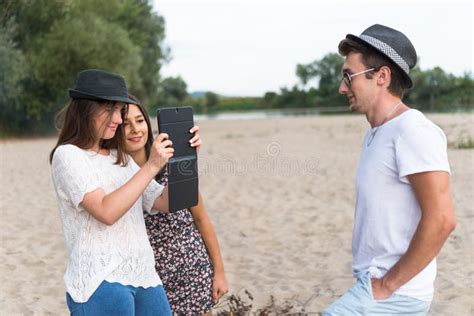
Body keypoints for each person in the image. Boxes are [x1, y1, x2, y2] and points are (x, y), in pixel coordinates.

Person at [323, 24, 456, 315]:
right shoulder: (376, 133)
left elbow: (442, 219)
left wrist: (386, 285)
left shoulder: (413, 130)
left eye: (349, 76)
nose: (342, 87)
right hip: (373, 287)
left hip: (396, 293)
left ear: (382, 76)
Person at [50, 69, 174, 315]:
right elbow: (106, 211)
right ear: (85, 109)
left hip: (145, 276)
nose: (118, 119)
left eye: (120, 110)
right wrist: (151, 166)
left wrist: (185, 159)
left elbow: (165, 202)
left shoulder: (122, 159)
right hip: (100, 281)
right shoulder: (68, 155)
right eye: (110, 109)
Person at [123, 94, 229, 315]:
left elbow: (201, 219)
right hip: (151, 280)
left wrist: (219, 271)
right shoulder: (118, 176)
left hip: (194, 270)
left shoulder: (174, 162)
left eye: (140, 120)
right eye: (125, 124)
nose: (135, 129)